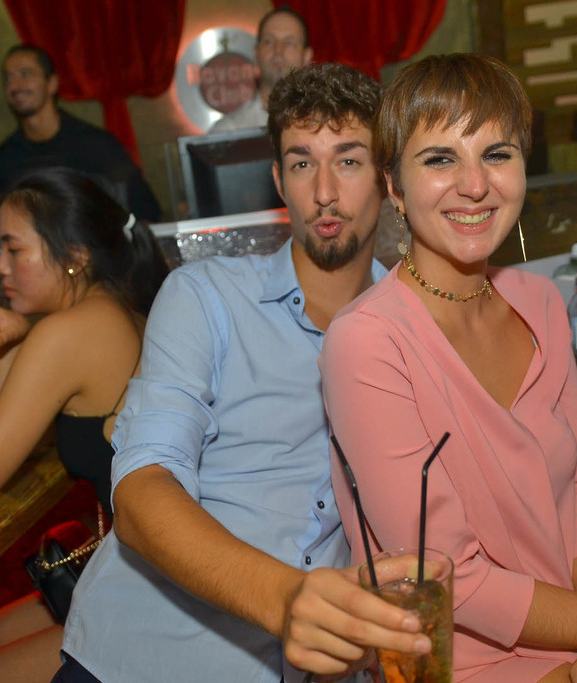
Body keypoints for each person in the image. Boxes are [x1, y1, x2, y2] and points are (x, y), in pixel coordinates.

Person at [320, 54, 577, 683]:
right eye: (440, 159)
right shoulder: (365, 343)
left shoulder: (541, 302)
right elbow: (451, 577)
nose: (475, 185)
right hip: (460, 658)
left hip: (576, 616)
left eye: (497, 154)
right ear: (394, 187)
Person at [56, 63, 429, 683]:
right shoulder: (205, 298)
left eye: (349, 160)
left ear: (387, 179)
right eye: (303, 163)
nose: (325, 192)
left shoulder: (414, 330)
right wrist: (287, 600)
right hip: (143, 655)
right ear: (279, 180)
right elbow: (143, 489)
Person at [0, 168, 168, 683]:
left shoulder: (72, 332)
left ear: (75, 257)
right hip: (148, 562)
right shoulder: (116, 310)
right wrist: (10, 345)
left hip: (159, 589)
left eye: (14, 249)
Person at [0, 45, 163, 222]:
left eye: (26, 74)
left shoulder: (96, 146)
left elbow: (145, 214)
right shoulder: (4, 159)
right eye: (8, 78)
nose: (15, 85)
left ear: (52, 83)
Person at [208, 6, 313, 133]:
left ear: (307, 56)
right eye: (269, 41)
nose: (278, 50)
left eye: (289, 43)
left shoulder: (325, 125)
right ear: (256, 52)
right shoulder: (228, 131)